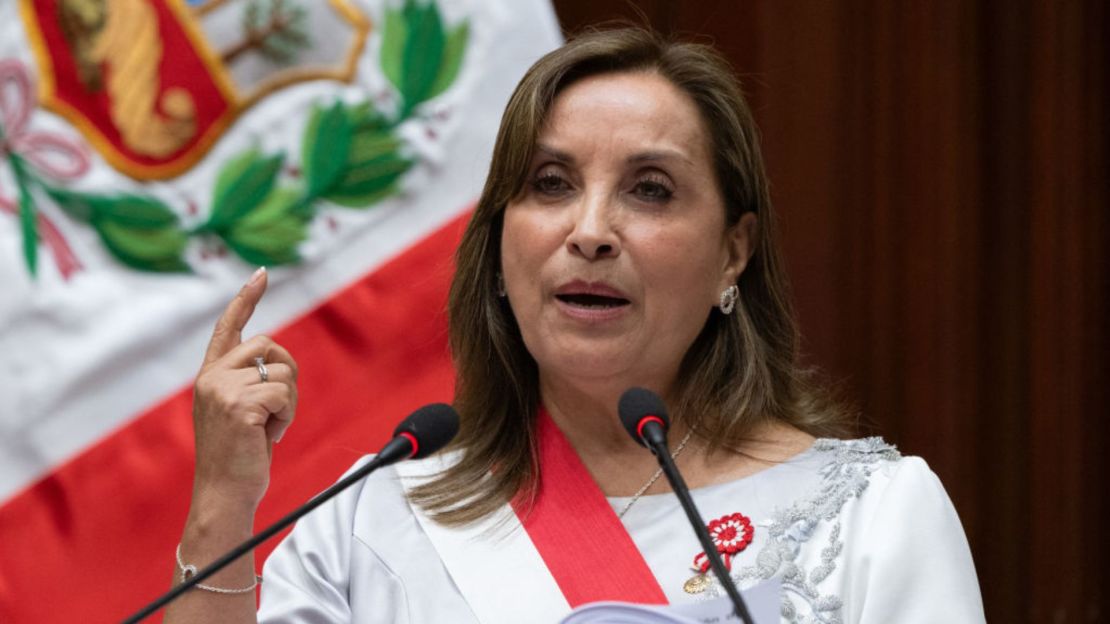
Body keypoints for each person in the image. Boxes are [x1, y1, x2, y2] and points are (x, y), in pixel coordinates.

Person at [165, 27, 985, 623]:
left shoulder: (872, 516)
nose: (589, 230)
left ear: (734, 253)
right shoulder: (368, 519)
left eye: (650, 189)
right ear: (498, 243)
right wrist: (223, 504)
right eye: (550, 183)